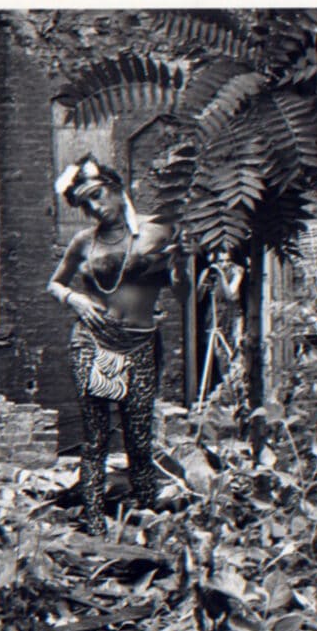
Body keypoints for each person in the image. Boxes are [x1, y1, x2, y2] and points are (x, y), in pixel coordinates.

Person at [49, 155, 189, 536]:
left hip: (140, 342)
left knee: (138, 438)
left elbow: (183, 293)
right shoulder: (84, 242)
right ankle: (94, 526)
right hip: (94, 341)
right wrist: (73, 299)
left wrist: (179, 268)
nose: (95, 208)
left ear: (115, 186)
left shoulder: (159, 231)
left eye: (97, 196)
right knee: (96, 438)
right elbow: (55, 283)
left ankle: (150, 524)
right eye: (85, 204)